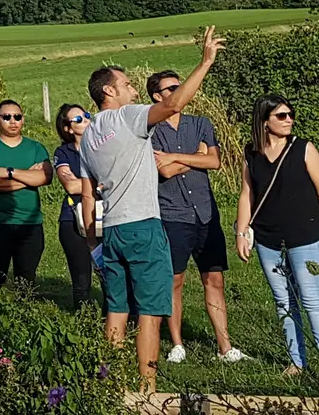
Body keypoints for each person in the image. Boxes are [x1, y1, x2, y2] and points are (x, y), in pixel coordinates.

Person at [80, 25, 223, 392]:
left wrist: (91, 239)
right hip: (143, 226)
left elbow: (88, 193)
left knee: (116, 310)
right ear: (109, 90)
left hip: (111, 229)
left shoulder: (89, 136)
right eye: (126, 83)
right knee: (150, 312)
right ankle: (147, 389)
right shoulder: (125, 117)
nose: (132, 88)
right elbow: (174, 104)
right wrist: (205, 62)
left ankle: (111, 384)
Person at [235, 94, 319, 374]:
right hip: (268, 240)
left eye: (290, 114)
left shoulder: (303, 149)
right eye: (281, 116)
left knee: (314, 301)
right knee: (283, 301)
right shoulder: (251, 153)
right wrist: (241, 232)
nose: (289, 120)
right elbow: (247, 193)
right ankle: (297, 361)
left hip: (305, 237)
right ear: (264, 121)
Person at [147, 70, 246, 365]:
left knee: (214, 279)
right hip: (172, 214)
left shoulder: (201, 123)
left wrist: (176, 157)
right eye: (174, 87)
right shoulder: (151, 129)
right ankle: (177, 343)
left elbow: (214, 160)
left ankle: (225, 346)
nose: (182, 90)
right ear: (158, 96)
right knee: (175, 280)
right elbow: (161, 170)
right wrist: (195, 156)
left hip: (206, 213)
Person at [0, 99, 50, 288]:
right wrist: (28, 178)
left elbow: (46, 177)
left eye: (17, 116)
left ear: (23, 119)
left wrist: (10, 172)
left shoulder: (36, 148)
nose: (13, 121)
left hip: (31, 224)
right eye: (6, 117)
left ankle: (23, 316)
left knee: (26, 281)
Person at [51, 104, 98, 308]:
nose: (85, 120)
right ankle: (83, 322)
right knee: (81, 279)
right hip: (73, 218)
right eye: (78, 119)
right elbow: (70, 185)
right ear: (68, 129)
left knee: (111, 276)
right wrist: (101, 184)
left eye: (86, 116)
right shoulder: (64, 152)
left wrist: (84, 184)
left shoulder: (103, 148)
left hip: (105, 216)